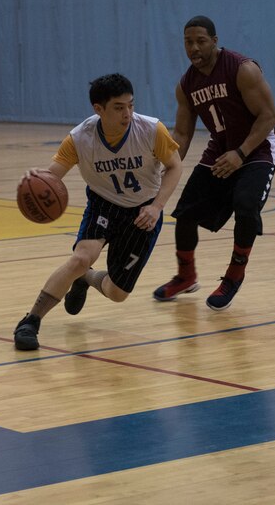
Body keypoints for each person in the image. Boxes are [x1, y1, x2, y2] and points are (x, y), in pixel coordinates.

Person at [13, 73, 182, 351]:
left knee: (117, 293)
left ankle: (87, 278)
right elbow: (53, 176)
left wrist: (156, 206)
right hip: (103, 204)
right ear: (98, 109)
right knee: (80, 258)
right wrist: (35, 177)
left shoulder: (152, 130)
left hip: (143, 211)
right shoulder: (80, 138)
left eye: (130, 105)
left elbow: (175, 167)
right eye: (119, 107)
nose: (127, 113)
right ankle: (30, 321)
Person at [152, 15, 275, 311]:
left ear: (215, 41)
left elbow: (269, 117)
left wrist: (241, 154)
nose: (194, 47)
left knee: (246, 207)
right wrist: (164, 167)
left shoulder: (242, 69)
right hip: (220, 150)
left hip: (256, 149)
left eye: (200, 41)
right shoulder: (186, 84)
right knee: (184, 214)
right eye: (188, 42)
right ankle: (186, 276)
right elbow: (182, 133)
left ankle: (234, 276)